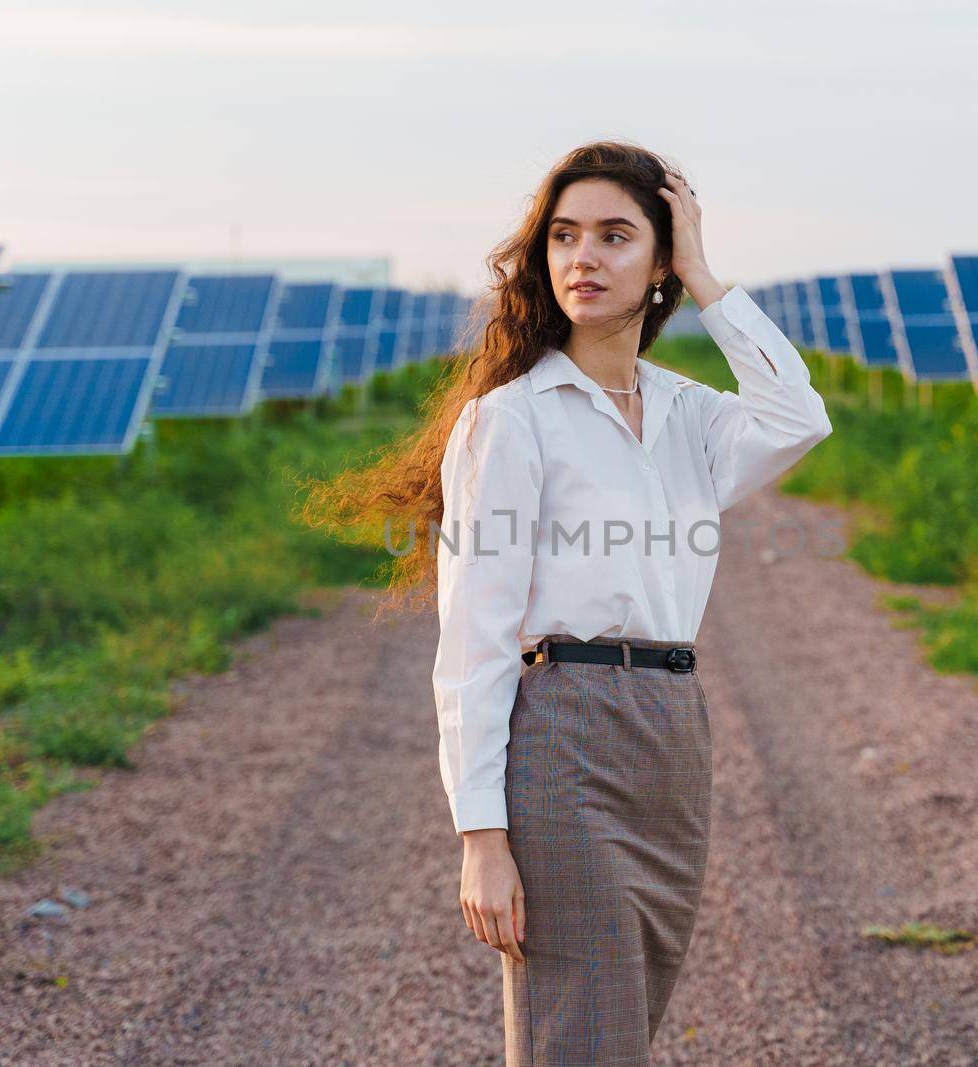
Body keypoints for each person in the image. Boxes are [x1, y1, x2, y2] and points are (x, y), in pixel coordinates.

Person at [304, 138, 832, 1065]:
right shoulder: (511, 419)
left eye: (616, 236)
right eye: (564, 236)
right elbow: (473, 633)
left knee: (624, 1021)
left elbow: (800, 416)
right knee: (581, 1035)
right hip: (564, 735)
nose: (583, 258)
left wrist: (707, 275)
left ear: (659, 261)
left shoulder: (691, 414)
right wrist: (481, 833)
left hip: (672, 731)